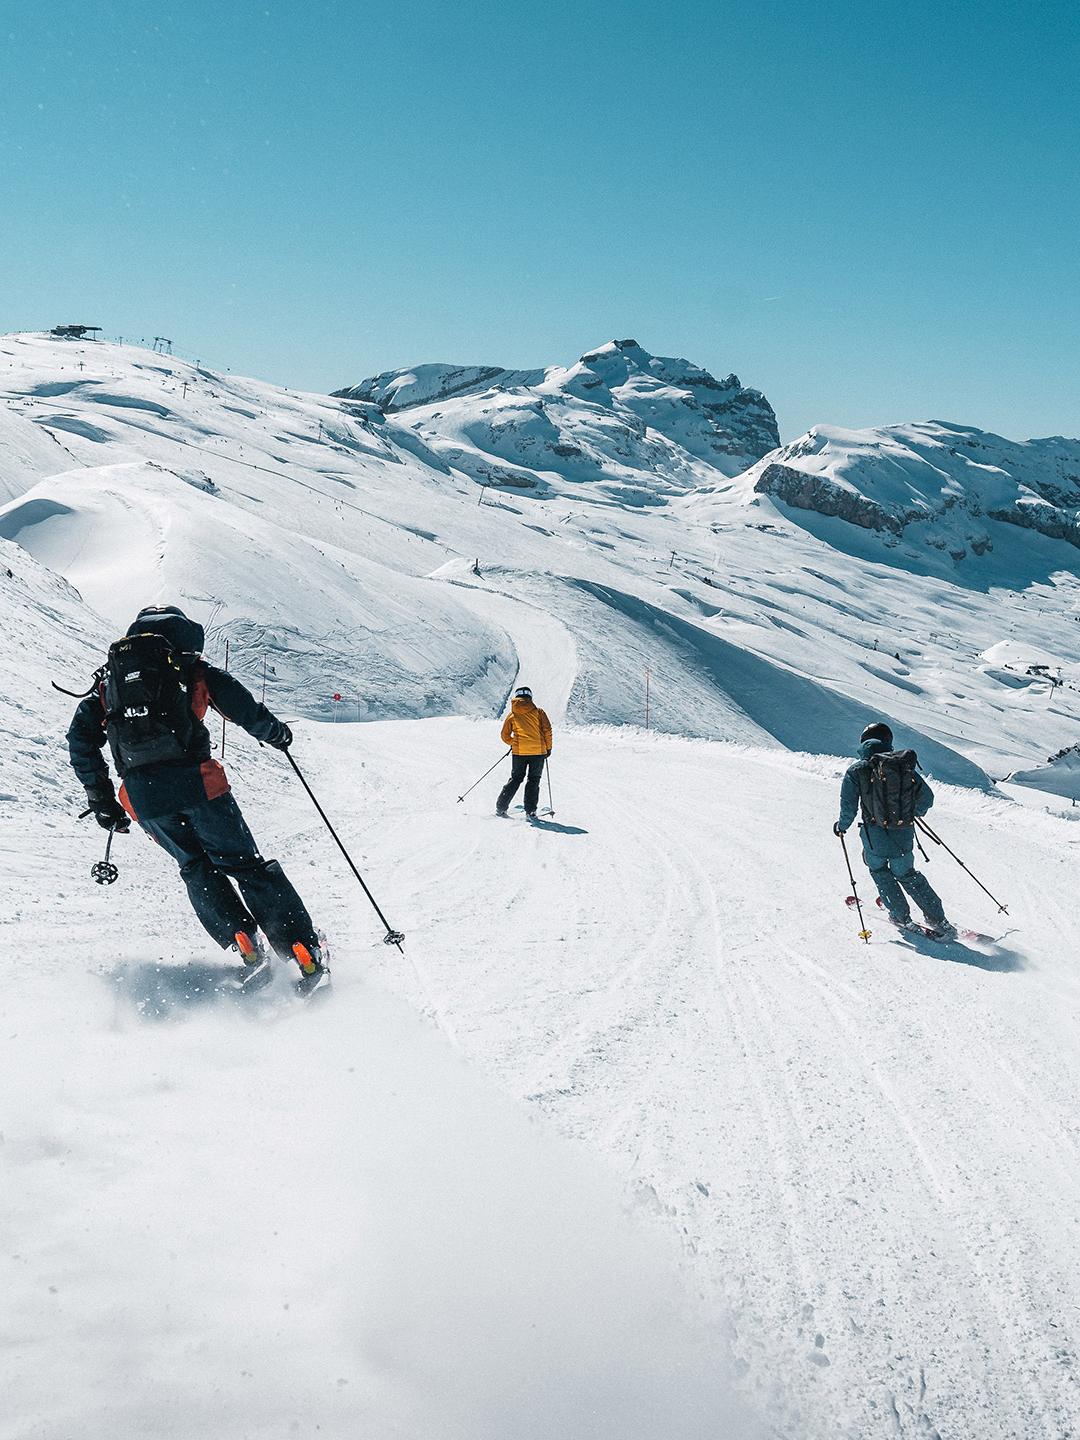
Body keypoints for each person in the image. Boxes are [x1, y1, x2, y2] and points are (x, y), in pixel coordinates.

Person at [67, 605, 328, 993]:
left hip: (142, 799)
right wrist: (277, 735)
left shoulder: (110, 685)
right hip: (200, 786)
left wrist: (104, 801)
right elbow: (245, 710)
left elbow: (81, 740)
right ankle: (299, 949)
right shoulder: (194, 672)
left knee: (194, 866)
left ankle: (243, 942)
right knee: (245, 866)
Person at [834, 721, 955, 940]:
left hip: (874, 836)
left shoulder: (857, 770)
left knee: (880, 872)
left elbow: (848, 807)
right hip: (904, 833)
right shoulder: (902, 766)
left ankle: (900, 915)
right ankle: (938, 918)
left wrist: (841, 827)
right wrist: (910, 812)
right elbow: (927, 797)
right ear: (888, 742)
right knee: (907, 874)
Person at [496, 686, 552, 819]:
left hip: (519, 753)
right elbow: (547, 731)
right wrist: (548, 748)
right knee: (533, 780)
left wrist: (514, 743)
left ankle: (501, 807)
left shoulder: (512, 715)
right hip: (538, 753)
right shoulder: (539, 712)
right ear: (530, 697)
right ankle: (530, 811)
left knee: (516, 779)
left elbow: (505, 735)